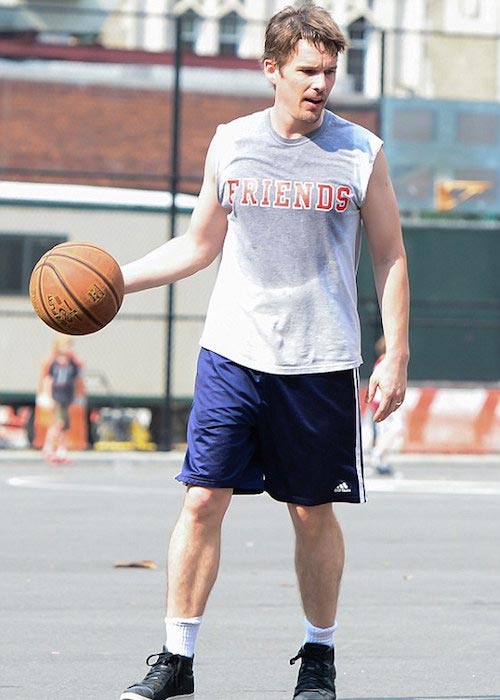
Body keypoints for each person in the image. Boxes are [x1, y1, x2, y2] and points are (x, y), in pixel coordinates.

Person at [119, 4, 410, 699]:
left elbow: (390, 253)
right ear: (272, 69)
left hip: (319, 358)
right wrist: (117, 279)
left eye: (329, 72)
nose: (320, 84)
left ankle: (319, 657)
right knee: (201, 503)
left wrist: (396, 350)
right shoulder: (232, 142)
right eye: (307, 70)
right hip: (233, 351)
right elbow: (199, 245)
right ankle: (176, 659)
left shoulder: (360, 152)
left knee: (311, 512)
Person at [41, 337, 82, 464]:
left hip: (67, 396)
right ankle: (48, 447)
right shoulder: (54, 363)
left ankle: (61, 449)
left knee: (64, 425)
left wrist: (75, 395)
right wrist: (49, 397)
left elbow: (76, 380)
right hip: (57, 396)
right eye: (66, 346)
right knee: (58, 423)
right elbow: (48, 380)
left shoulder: (72, 363)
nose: (69, 349)